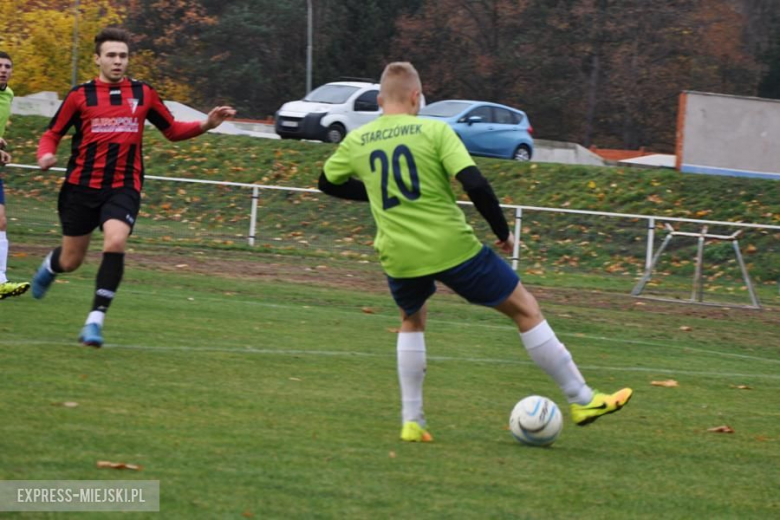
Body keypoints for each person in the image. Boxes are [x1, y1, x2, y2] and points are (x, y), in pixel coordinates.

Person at [319, 62, 632, 442]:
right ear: (417, 97)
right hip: (452, 247)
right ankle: (582, 397)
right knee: (526, 309)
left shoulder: (359, 139)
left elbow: (326, 182)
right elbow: (475, 183)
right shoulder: (435, 130)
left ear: (381, 100)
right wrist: (502, 232)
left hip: (399, 255)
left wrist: (371, 190)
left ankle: (412, 422)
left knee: (412, 322)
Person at [32, 27, 235, 347]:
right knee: (71, 261)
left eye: (123, 56)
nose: (117, 61)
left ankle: (94, 321)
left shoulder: (143, 93)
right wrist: (45, 154)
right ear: (97, 59)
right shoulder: (79, 96)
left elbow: (172, 129)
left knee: (115, 242)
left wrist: (206, 124)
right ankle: (50, 266)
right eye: (111, 55)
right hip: (80, 188)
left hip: (123, 186)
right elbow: (52, 133)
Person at [0, 51, 31, 300]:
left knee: (0, 221)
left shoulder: (8, 94)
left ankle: (0, 280)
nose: (3, 70)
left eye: (7, 66)